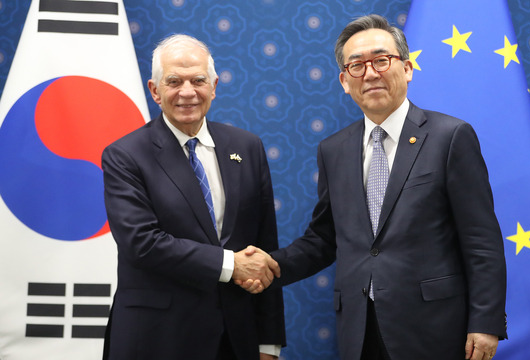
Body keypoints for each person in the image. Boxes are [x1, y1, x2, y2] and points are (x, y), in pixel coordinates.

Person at [240, 14, 507, 360]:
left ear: (407, 69)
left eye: (381, 60)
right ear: (344, 80)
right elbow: (324, 238)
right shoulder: (333, 150)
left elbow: (481, 240)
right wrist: (270, 266)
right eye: (357, 66)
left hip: (435, 329)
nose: (370, 73)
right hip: (359, 330)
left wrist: (485, 322)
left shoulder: (450, 138)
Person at [101, 34, 285, 360]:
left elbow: (263, 246)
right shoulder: (125, 155)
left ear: (213, 86)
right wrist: (230, 265)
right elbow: (142, 242)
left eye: (198, 80)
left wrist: (267, 342)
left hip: (235, 338)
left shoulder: (247, 147)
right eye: (174, 81)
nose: (188, 92)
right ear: (155, 91)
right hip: (156, 339)